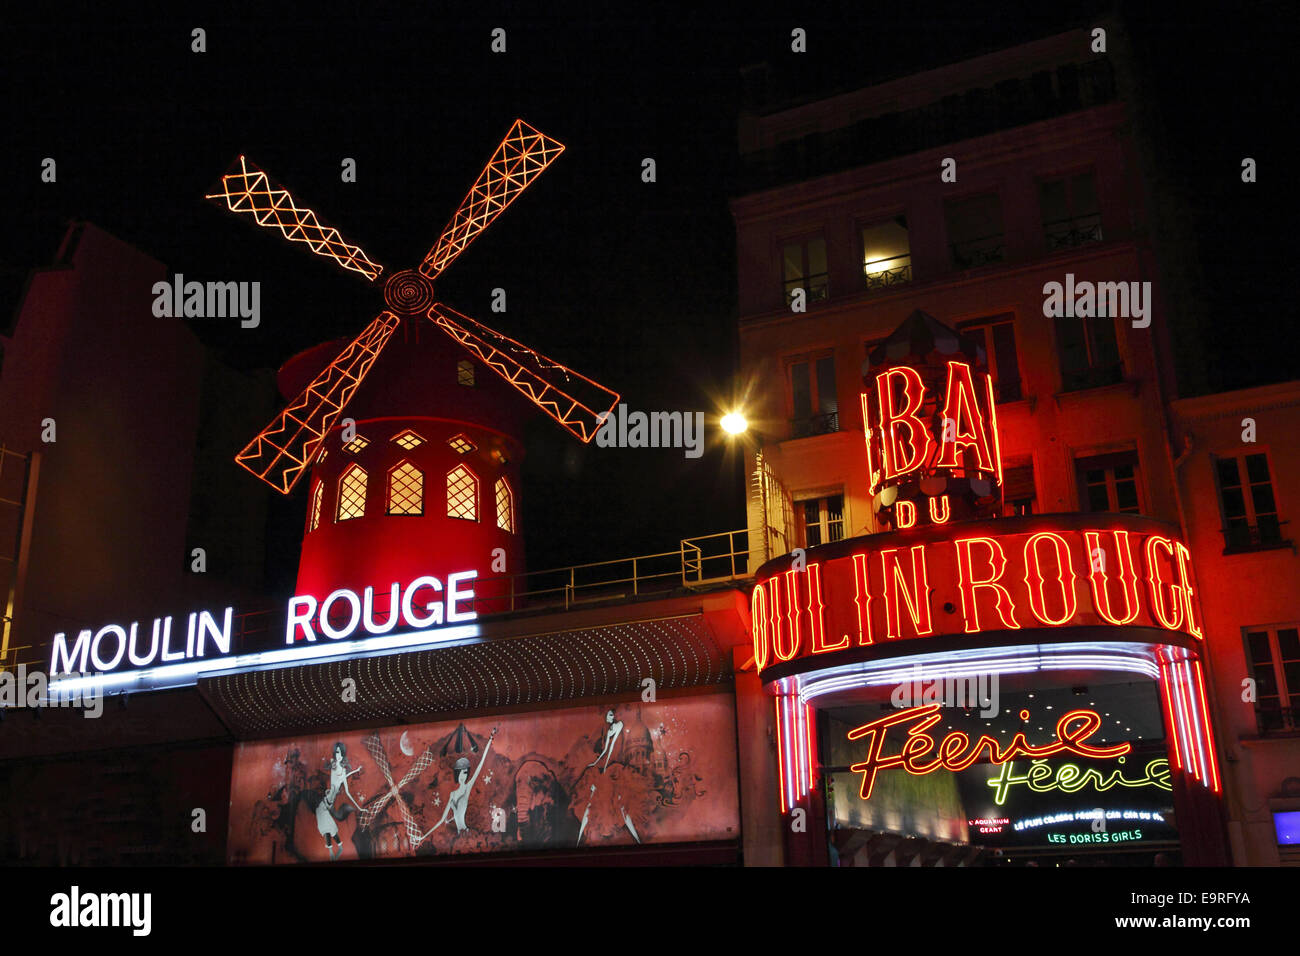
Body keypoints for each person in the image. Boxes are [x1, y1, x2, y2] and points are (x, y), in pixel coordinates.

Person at [420, 727, 497, 841]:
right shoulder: (452, 794)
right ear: (457, 774)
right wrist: (424, 837)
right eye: (460, 773)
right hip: (459, 836)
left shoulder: (467, 787)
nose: (463, 776)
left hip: (467, 834)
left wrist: (490, 739)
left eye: (465, 773)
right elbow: (441, 820)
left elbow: (480, 764)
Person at [316, 742, 362, 861]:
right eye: (336, 752)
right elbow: (333, 770)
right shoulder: (334, 768)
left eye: (339, 753)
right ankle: (333, 850)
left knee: (329, 826)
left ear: (342, 755)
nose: (337, 755)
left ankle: (337, 849)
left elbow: (348, 792)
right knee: (327, 825)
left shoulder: (342, 774)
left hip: (327, 805)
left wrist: (359, 807)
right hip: (324, 805)